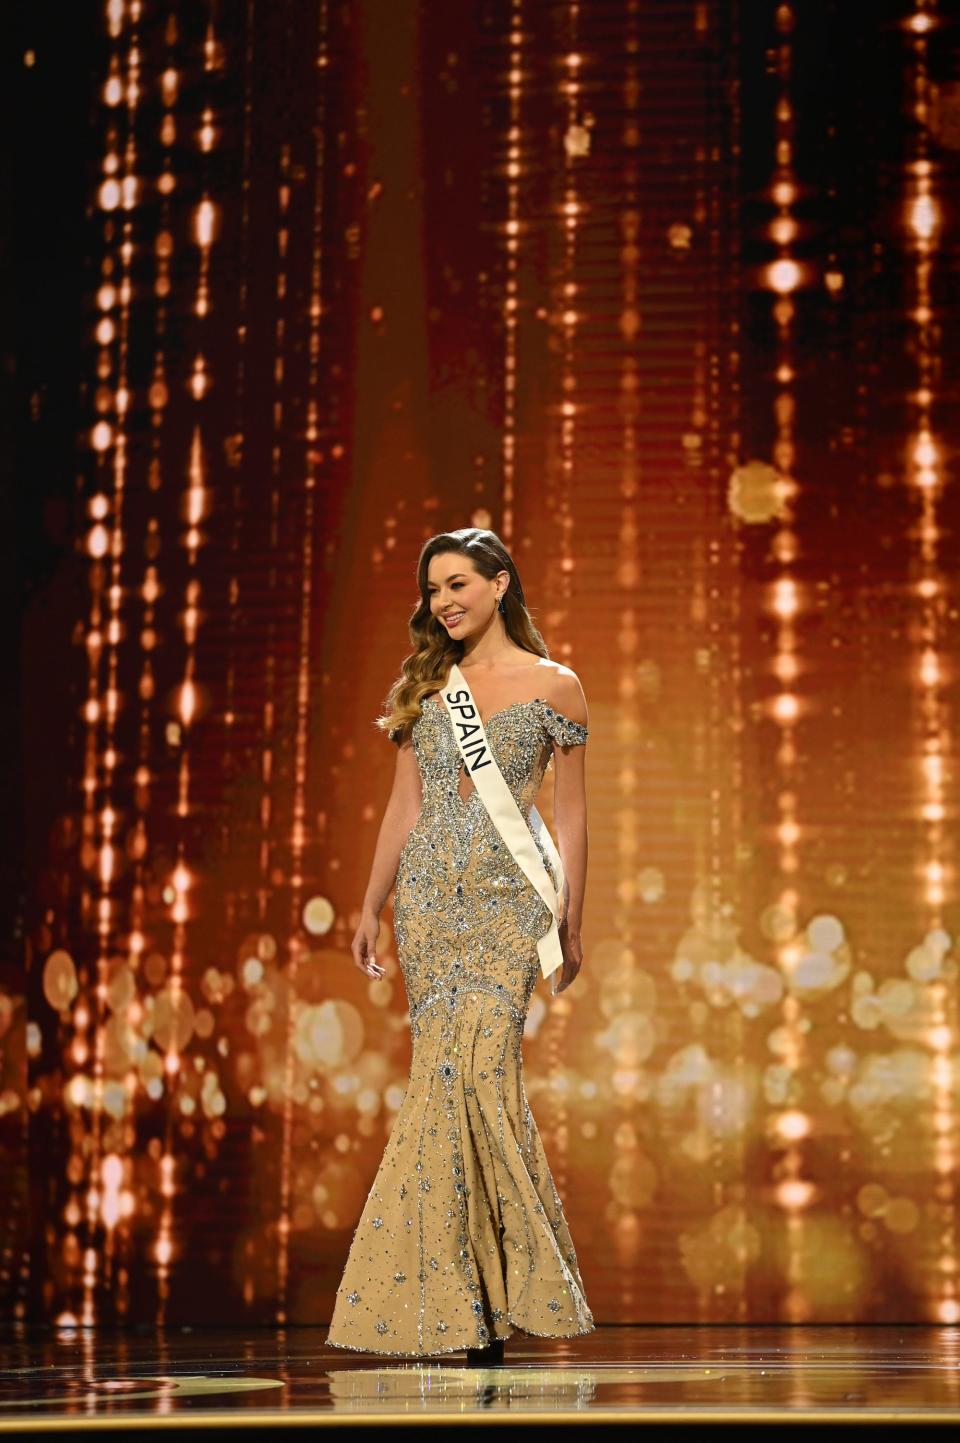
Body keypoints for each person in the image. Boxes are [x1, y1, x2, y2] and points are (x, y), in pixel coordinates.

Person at [325, 526, 594, 1365]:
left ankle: (501, 1290)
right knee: (442, 1084)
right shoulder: (429, 688)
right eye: (434, 589)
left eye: (458, 584)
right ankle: (465, 1303)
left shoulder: (559, 686)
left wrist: (571, 916)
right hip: (433, 907)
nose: (444, 601)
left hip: (510, 903)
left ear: (500, 582)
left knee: (483, 1075)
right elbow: (403, 807)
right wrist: (371, 902)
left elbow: (573, 813)